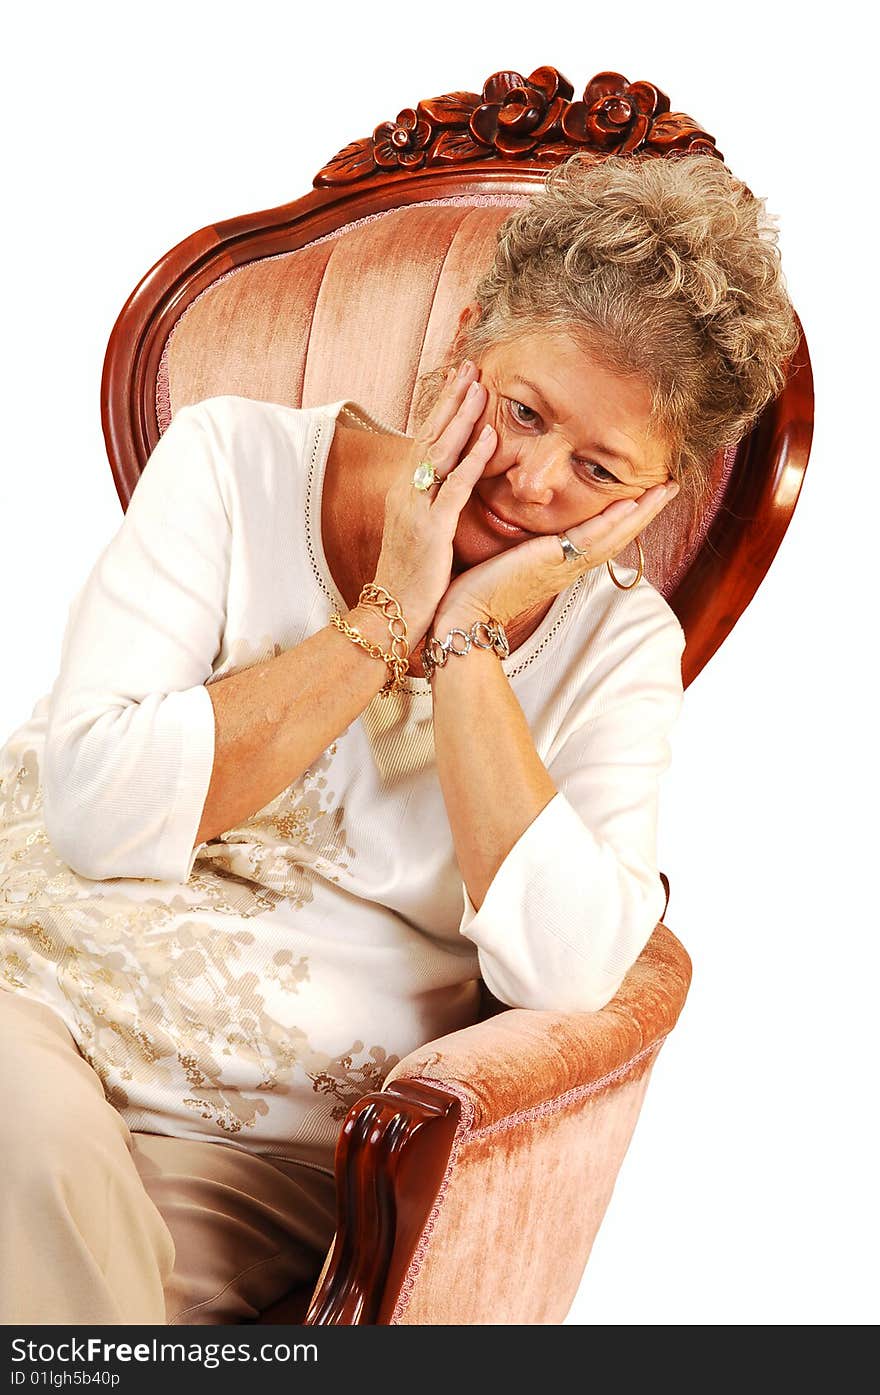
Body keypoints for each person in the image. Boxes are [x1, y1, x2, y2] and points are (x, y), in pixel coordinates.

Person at [0, 151, 799, 1325]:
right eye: (520, 413)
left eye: (597, 470)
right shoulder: (234, 463)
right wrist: (384, 621)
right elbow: (101, 812)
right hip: (31, 1011)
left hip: (251, 1148)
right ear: (469, 338)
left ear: (661, 490)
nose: (527, 479)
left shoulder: (617, 653)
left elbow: (569, 970)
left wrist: (465, 637)